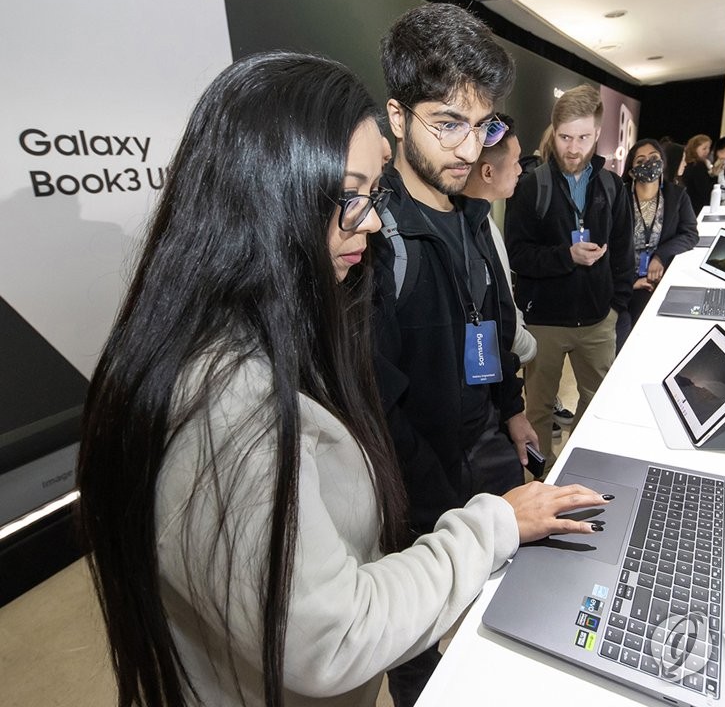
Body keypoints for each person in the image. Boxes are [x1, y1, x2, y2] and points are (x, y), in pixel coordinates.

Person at [75, 51, 608, 707]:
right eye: (348, 198)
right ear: (270, 198)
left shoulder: (288, 324)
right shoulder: (229, 401)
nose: (375, 221)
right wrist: (491, 524)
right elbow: (331, 636)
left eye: (372, 195)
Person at [372, 4, 538, 703]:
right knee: (419, 648)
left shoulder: (472, 213)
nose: (471, 149)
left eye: (485, 125)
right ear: (397, 116)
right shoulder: (372, 237)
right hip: (417, 489)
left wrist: (515, 410)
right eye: (449, 123)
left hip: (486, 445)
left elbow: (495, 327)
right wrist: (451, 514)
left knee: (512, 624)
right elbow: (377, 403)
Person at [505, 84, 633, 471]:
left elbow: (624, 251)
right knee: (539, 409)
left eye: (582, 137)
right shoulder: (531, 186)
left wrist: (616, 306)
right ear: (553, 131)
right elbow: (517, 254)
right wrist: (567, 256)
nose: (573, 148)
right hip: (544, 321)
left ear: (597, 134)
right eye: (564, 137)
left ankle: (584, 472)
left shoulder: (612, 186)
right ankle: (544, 482)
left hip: (598, 320)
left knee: (597, 404)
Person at [460, 113, 536, 366]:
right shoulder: (478, 231)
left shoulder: (485, 223)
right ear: (488, 172)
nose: (519, 169)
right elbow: (500, 316)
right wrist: (529, 348)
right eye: (515, 161)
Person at [618, 138, 699, 348]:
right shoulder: (619, 197)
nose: (649, 163)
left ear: (662, 162)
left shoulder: (676, 195)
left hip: (655, 280)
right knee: (625, 334)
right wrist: (628, 282)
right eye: (641, 160)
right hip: (623, 280)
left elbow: (690, 234)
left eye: (654, 158)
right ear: (631, 171)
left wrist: (660, 255)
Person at [681, 133, 715, 211]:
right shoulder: (698, 165)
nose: (707, 151)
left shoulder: (687, 162)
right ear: (694, 148)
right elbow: (705, 190)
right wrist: (714, 175)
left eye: (709, 148)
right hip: (699, 207)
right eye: (704, 148)